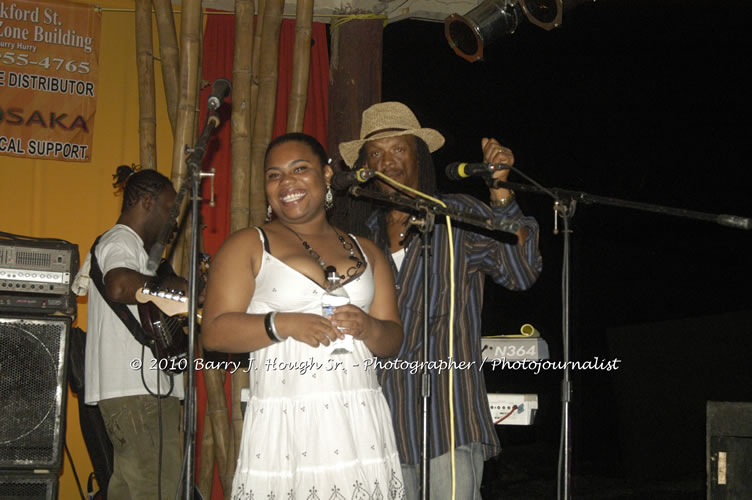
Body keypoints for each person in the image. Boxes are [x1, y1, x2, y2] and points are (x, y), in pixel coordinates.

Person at [336, 101, 543, 500]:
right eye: (375, 153)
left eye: (398, 150)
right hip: (379, 427)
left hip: (449, 424)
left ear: (419, 156)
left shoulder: (456, 217)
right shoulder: (359, 242)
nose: (387, 162)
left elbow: (520, 272)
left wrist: (500, 190)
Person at [201, 133, 406, 499]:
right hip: (287, 420)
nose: (286, 183)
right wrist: (281, 324)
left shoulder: (368, 250)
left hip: (357, 416)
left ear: (328, 175)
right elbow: (214, 332)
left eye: (299, 169)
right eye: (274, 175)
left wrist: (368, 326)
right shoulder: (248, 244)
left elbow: (392, 338)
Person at [77, 165, 186, 499]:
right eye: (169, 210)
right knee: (156, 489)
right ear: (147, 203)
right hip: (139, 392)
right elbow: (120, 284)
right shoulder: (121, 240)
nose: (173, 222)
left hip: (136, 391)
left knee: (131, 489)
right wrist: (179, 287)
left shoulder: (131, 248)